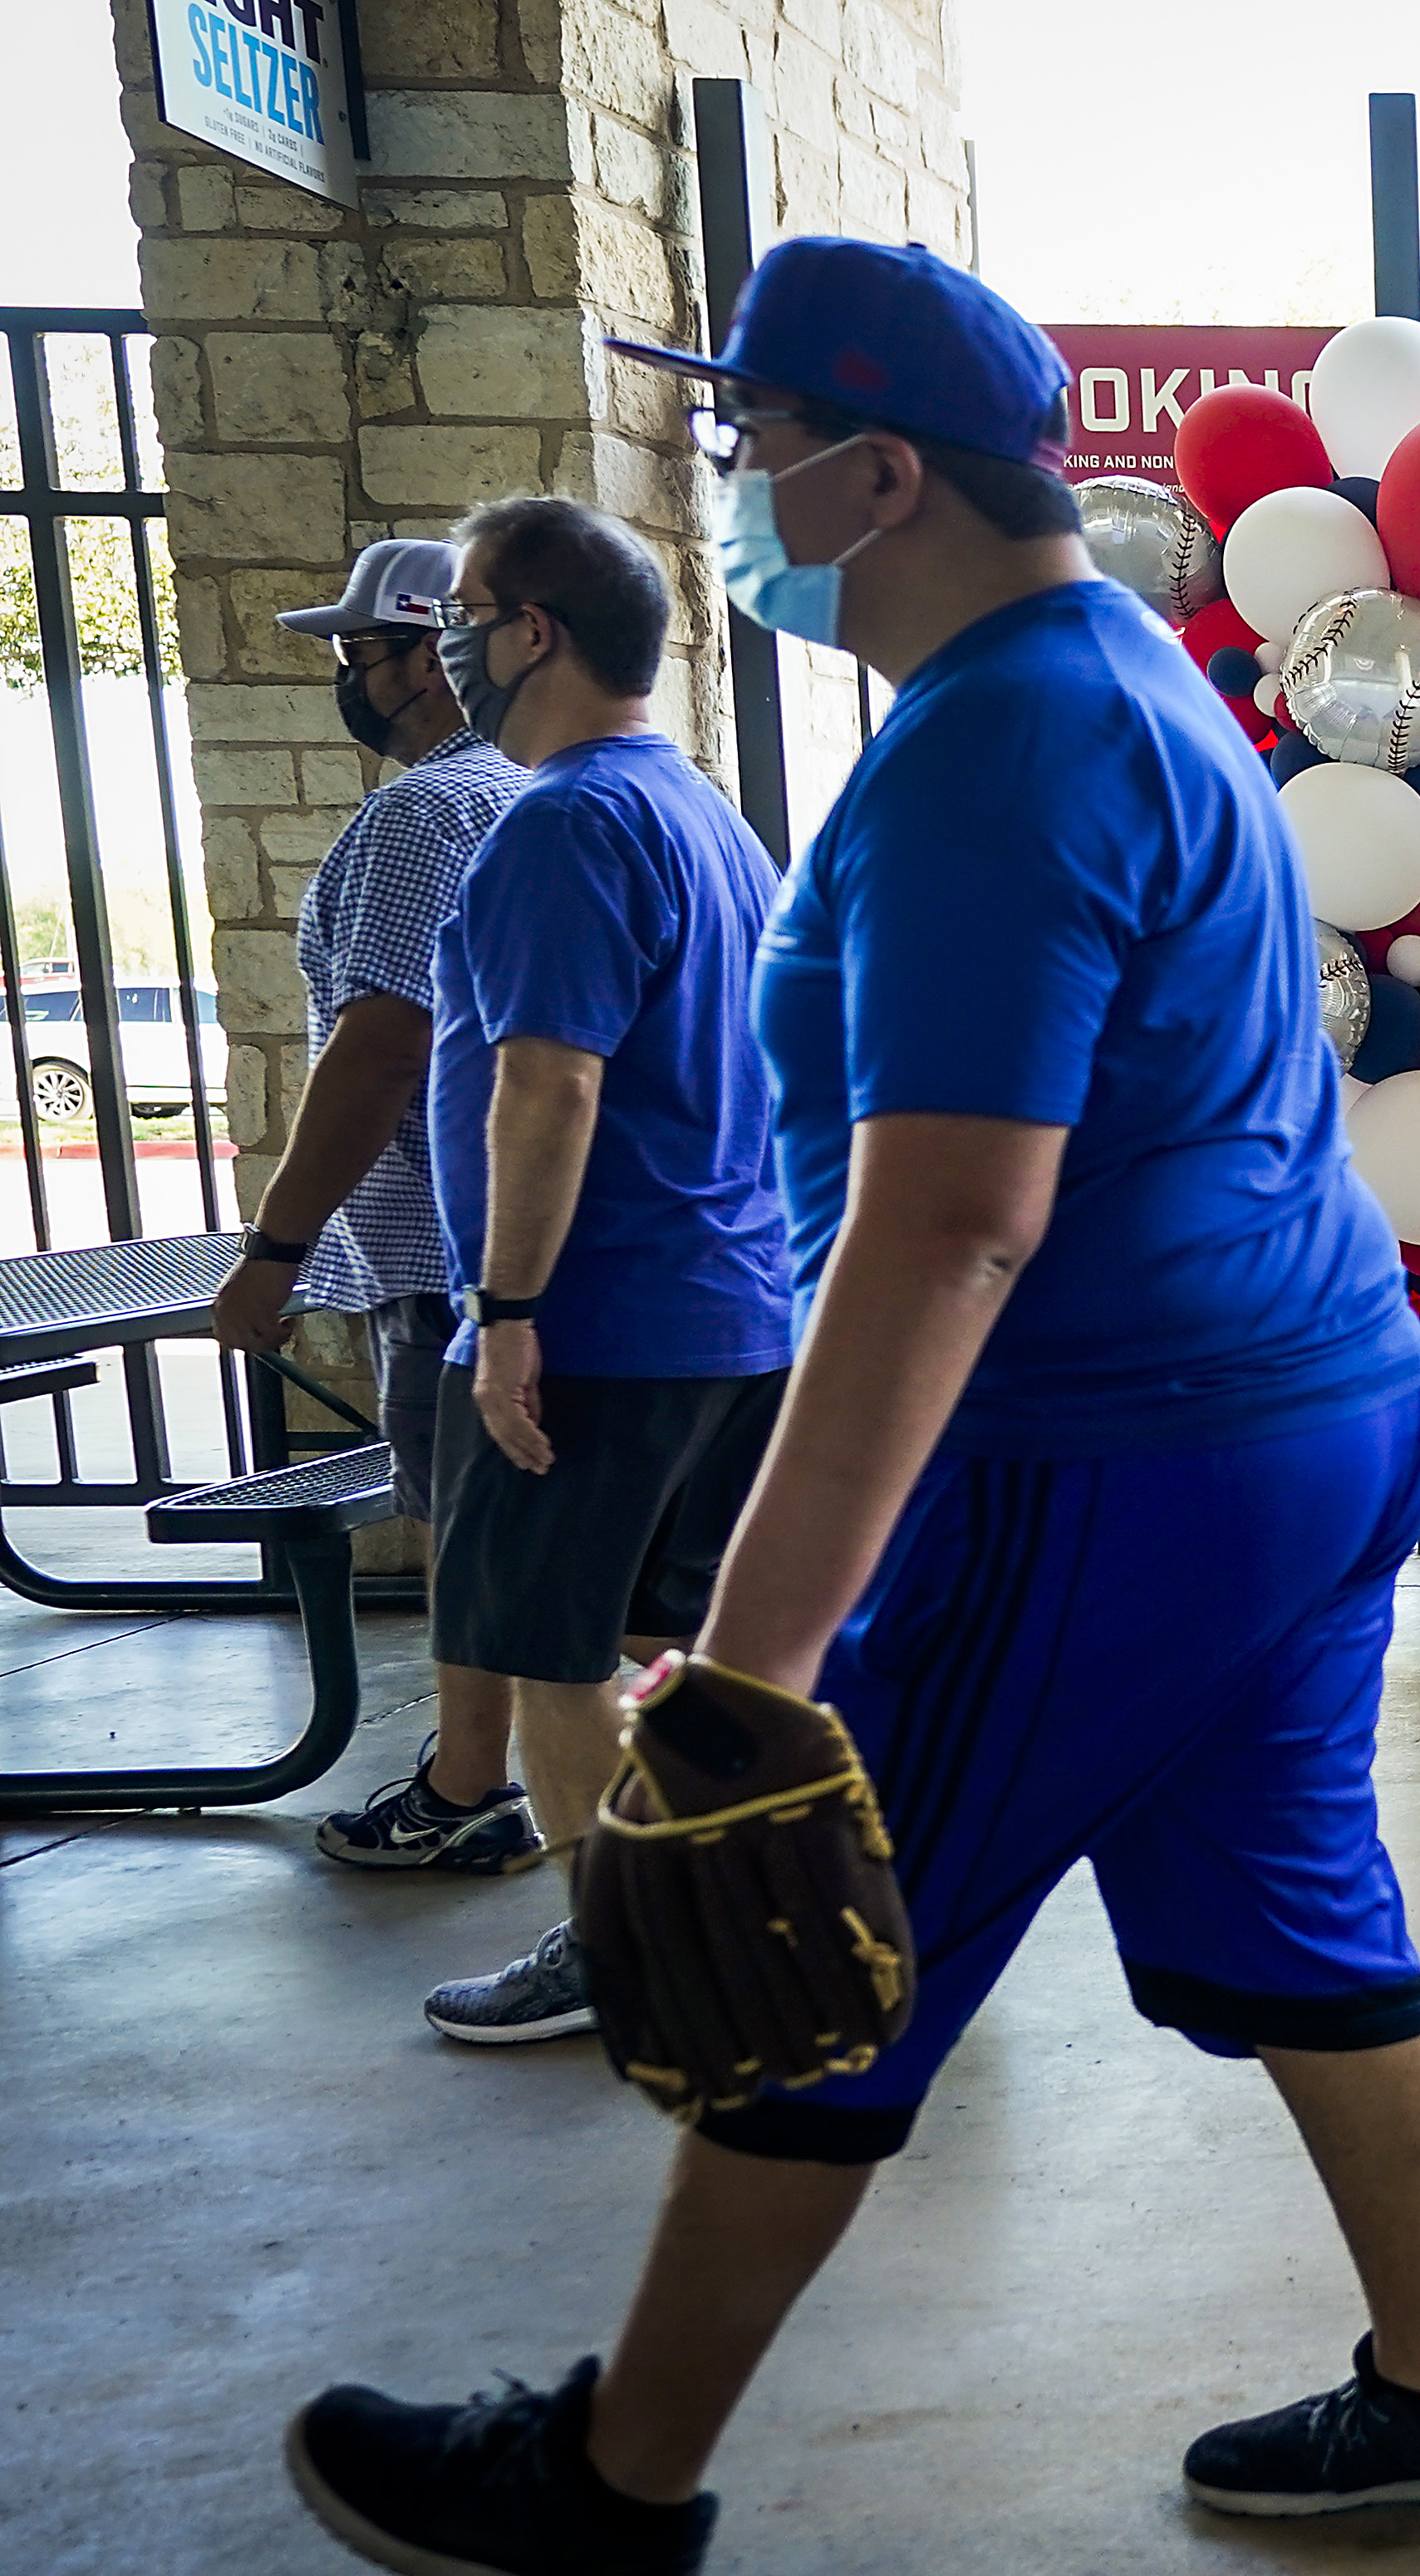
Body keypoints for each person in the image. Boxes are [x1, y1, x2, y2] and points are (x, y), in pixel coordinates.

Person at [286, 238, 1420, 2576]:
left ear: (882, 472)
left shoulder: (1003, 738)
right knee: (1290, 1913)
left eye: (755, 442)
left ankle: (608, 2485)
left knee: (821, 1935)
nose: (730, 488)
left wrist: (753, 1664)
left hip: (1113, 1456)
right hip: (1294, 1425)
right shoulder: (1106, 689)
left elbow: (953, 1222)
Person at [410, 496, 796, 2047]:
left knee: (542, 1645)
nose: (446, 646)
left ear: (532, 631)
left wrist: (506, 1317)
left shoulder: (563, 823)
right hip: (721, 1307)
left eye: (459, 613)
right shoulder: (698, 806)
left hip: (596, 1321)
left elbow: (548, 1085)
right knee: (672, 1642)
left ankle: (612, 1951)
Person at [219, 538, 535, 1871]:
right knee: (547, 1543)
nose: (347, 678)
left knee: (488, 1545)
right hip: (532, 1244)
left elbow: (382, 1045)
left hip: (455, 1253)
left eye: (361, 652)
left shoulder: (418, 822)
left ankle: (473, 1794)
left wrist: (274, 1249)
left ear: (429, 656)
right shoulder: (545, 793)